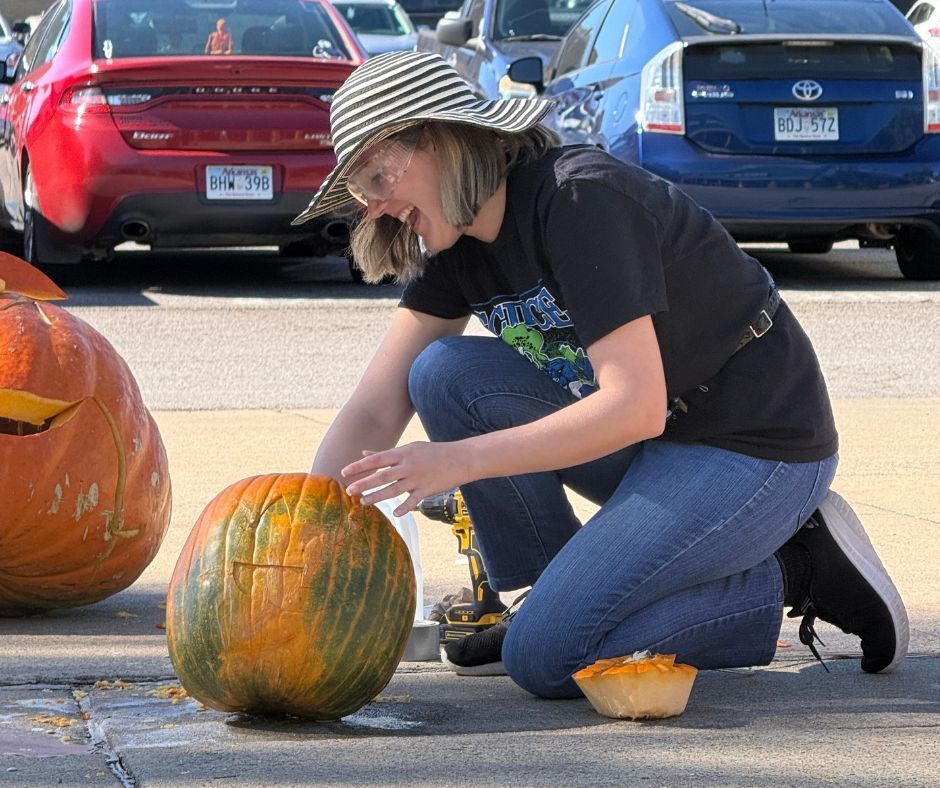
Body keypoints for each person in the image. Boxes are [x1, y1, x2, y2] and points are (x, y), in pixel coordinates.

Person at [293, 52, 909, 697]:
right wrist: (300, 532)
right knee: (444, 371)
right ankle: (549, 596)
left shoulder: (580, 198)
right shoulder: (458, 245)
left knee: (549, 662)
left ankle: (796, 568)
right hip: (656, 441)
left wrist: (457, 462)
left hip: (752, 446)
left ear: (444, 138)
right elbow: (373, 410)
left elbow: (633, 404)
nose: (379, 206)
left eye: (380, 175)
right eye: (365, 192)